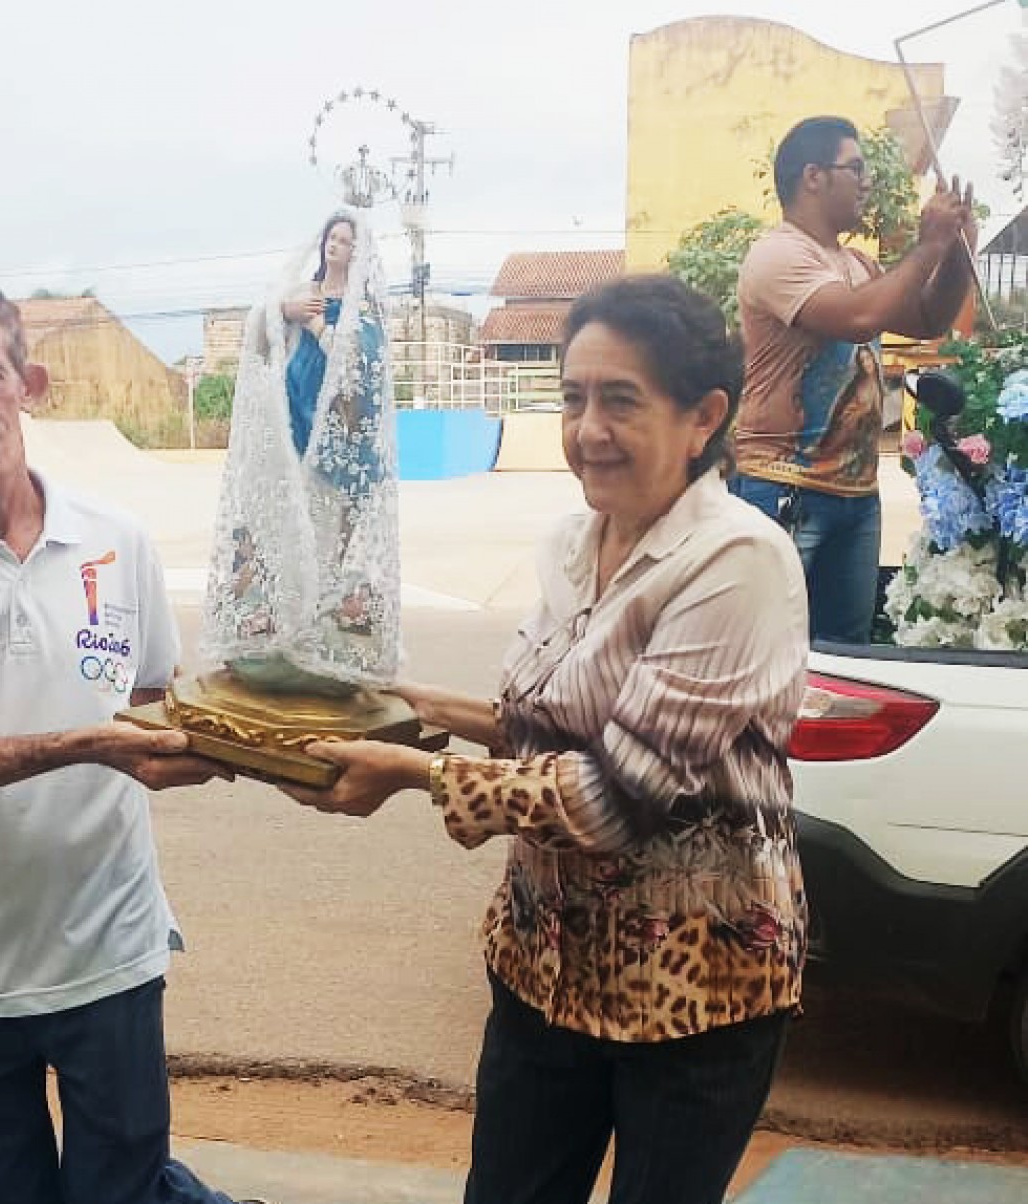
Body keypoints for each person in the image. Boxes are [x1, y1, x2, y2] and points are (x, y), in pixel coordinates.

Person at [280, 275, 811, 1204]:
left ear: (703, 417)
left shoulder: (737, 560)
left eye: (620, 400)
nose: (587, 429)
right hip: (544, 963)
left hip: (692, 988)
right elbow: (542, 719)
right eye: (572, 398)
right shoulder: (576, 541)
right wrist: (397, 702)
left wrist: (417, 773)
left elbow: (614, 798)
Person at [0, 276, 262, 1204]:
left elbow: (152, 718)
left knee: (122, 1190)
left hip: (112, 953)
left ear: (31, 381)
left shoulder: (117, 539)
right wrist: (90, 744)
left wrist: (259, 746)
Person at [733, 114, 977, 643]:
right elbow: (857, 318)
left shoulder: (858, 264)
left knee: (846, 658)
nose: (867, 181)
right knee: (769, 651)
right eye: (856, 167)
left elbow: (927, 319)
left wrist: (956, 252)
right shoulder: (779, 253)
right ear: (813, 176)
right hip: (783, 487)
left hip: (854, 492)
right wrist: (928, 245)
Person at [201, 208, 399, 694]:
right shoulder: (302, 296)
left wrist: (319, 331)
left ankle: (312, 630)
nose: (335, 246)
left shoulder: (363, 315)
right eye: (332, 238)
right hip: (294, 428)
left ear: (360, 254)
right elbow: (261, 335)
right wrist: (285, 313)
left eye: (346, 241)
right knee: (282, 535)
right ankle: (279, 627)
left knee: (325, 541)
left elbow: (358, 373)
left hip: (332, 442)